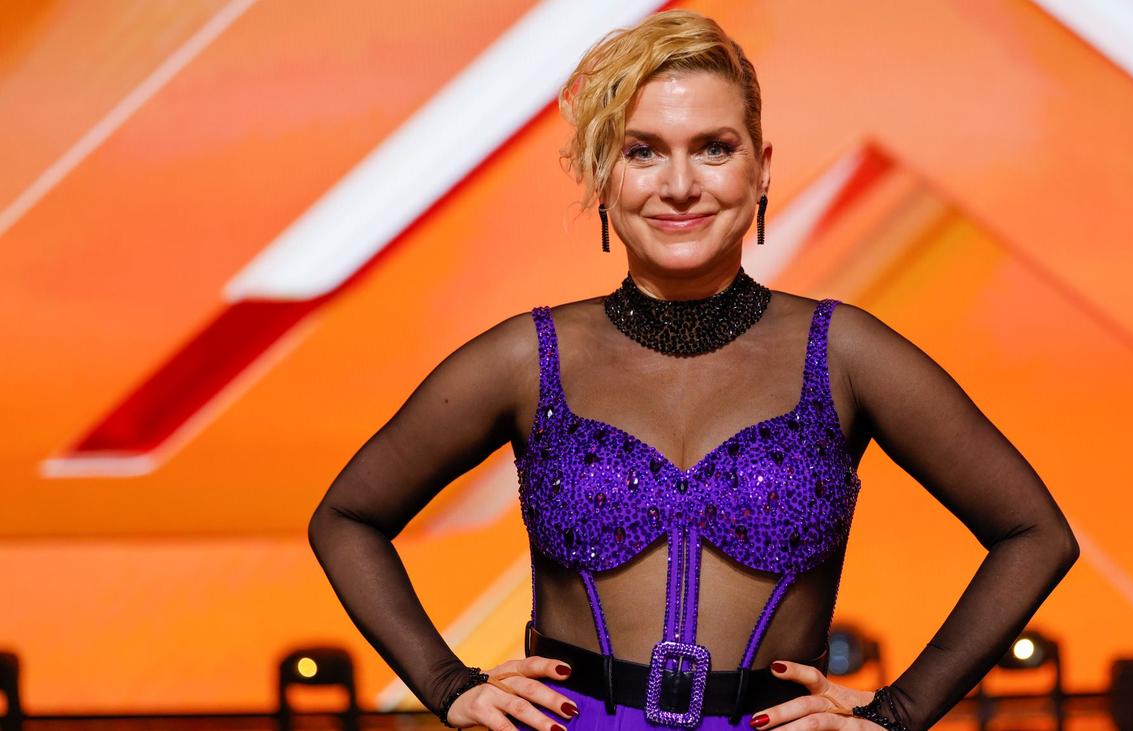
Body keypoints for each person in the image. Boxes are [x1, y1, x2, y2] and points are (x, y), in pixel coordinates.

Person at [307, 9, 1079, 731]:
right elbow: (346, 518)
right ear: (603, 175)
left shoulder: (844, 354)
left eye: (714, 147)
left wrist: (897, 712)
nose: (680, 185)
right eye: (642, 151)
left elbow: (1035, 533)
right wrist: (449, 686)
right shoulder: (526, 360)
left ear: (761, 169)